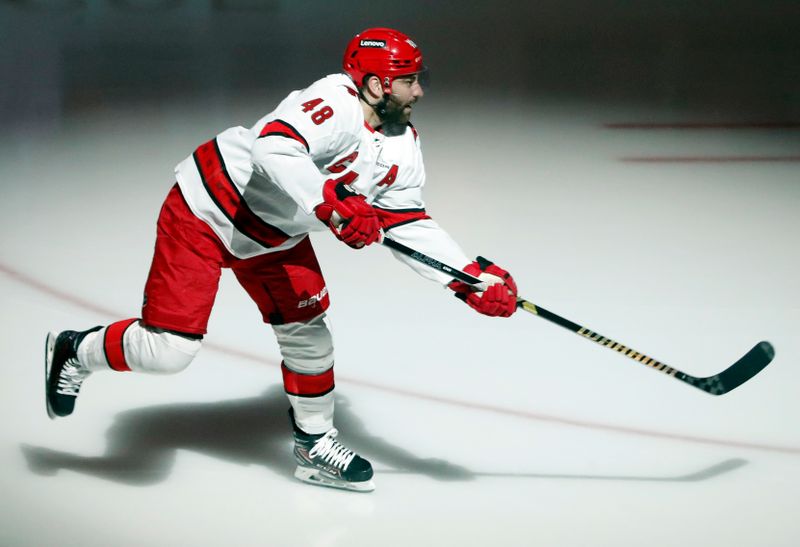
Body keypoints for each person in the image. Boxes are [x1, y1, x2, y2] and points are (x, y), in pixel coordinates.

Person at [44, 27, 518, 493]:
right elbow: (271, 144)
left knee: (310, 339)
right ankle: (74, 349)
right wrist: (328, 202)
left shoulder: (403, 145)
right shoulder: (333, 102)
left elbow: (406, 220)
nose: (418, 89)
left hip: (276, 237)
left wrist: (467, 279)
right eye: (408, 79)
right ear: (375, 84)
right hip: (209, 210)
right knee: (168, 353)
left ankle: (314, 445)